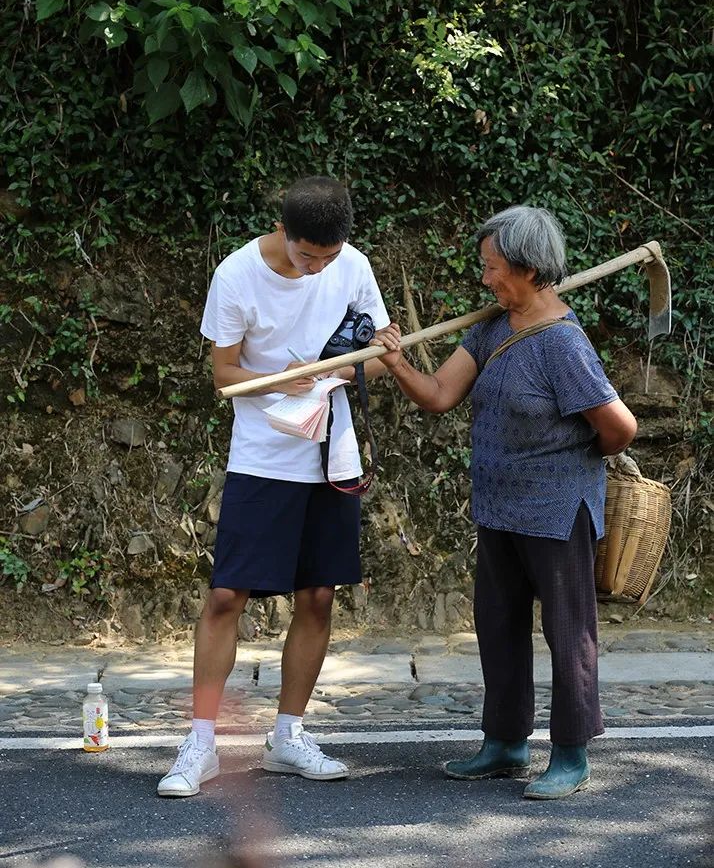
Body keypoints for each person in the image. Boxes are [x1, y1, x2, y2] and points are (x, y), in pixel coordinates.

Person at [376, 205, 637, 800]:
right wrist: (396, 363)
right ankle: (505, 742)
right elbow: (439, 394)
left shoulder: (563, 345)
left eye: (493, 267)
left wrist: (571, 461)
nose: (485, 277)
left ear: (528, 269)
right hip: (497, 507)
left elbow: (620, 428)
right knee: (498, 625)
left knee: (568, 632)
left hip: (556, 510)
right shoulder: (493, 327)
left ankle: (570, 753)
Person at [158, 176, 390, 797]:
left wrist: (358, 361)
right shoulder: (237, 275)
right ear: (283, 230)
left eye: (328, 257)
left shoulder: (352, 266)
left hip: (330, 453)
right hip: (262, 457)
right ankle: (200, 742)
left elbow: (373, 350)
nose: (318, 268)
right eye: (307, 255)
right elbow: (223, 374)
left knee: (318, 596)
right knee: (226, 596)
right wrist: (277, 380)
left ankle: (288, 735)